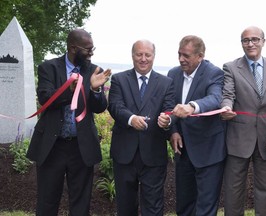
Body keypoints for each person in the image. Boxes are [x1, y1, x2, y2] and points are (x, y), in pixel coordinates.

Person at [26, 28, 111, 216]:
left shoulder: (93, 70)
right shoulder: (49, 68)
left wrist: (96, 91)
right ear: (73, 48)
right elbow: (45, 98)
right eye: (88, 49)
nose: (91, 53)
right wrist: (70, 90)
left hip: (81, 147)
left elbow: (99, 107)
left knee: (81, 204)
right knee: (47, 202)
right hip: (52, 146)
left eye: (92, 49)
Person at [221, 26, 266, 216]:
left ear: (263, 42)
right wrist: (226, 107)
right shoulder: (231, 67)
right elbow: (228, 94)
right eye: (246, 40)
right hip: (238, 139)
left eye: (255, 39)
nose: (250, 44)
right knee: (234, 192)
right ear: (241, 43)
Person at [107, 39, 175, 216]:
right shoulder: (119, 79)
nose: (143, 59)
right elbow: (115, 106)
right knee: (125, 207)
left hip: (153, 154)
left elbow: (169, 109)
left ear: (154, 56)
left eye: (147, 55)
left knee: (153, 207)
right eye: (139, 54)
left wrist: (167, 120)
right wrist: (131, 119)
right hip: (124, 154)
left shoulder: (166, 83)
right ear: (132, 56)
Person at [163, 35, 226, 216]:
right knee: (184, 206)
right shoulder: (173, 74)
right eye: (179, 54)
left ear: (200, 56)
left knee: (206, 208)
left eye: (187, 56)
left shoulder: (214, 73)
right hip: (183, 152)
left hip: (209, 152)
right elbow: (169, 106)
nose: (181, 59)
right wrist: (173, 131)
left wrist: (192, 106)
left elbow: (215, 98)